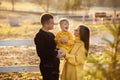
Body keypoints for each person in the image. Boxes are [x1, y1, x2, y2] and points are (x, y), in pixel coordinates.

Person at [34, 13, 65, 80]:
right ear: (46, 24)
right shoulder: (40, 36)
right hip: (47, 66)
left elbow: (54, 47)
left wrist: (60, 51)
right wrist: (56, 53)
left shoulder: (51, 34)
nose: (54, 24)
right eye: (52, 23)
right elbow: (41, 53)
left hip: (55, 65)